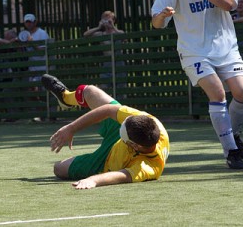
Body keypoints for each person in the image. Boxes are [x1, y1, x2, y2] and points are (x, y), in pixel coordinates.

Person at [151, 0, 243, 169]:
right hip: (194, 51)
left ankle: (232, 134)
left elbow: (230, 4)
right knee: (217, 93)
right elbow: (155, 21)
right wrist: (163, 16)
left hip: (226, 49)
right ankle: (231, 152)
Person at [41, 74, 169, 189]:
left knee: (59, 168)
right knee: (89, 91)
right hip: (119, 136)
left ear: (134, 145)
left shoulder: (148, 166)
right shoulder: (149, 121)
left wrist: (93, 180)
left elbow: (122, 175)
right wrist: (71, 128)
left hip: (105, 162)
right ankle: (65, 98)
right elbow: (108, 110)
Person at [83, 11, 126, 91]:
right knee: (104, 88)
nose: (107, 22)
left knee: (121, 89)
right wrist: (98, 27)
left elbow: (124, 37)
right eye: (105, 20)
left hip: (119, 64)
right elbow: (86, 35)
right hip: (107, 64)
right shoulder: (101, 34)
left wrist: (113, 27)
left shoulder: (117, 32)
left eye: (109, 20)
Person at [23, 14, 50, 122]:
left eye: (30, 22)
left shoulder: (42, 33)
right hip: (32, 68)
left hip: (42, 66)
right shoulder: (25, 34)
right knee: (32, 91)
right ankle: (39, 114)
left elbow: (42, 51)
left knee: (43, 92)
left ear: (35, 22)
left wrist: (32, 43)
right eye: (27, 22)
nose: (29, 24)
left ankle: (46, 114)